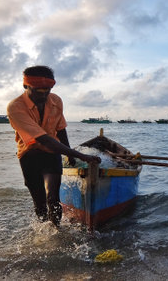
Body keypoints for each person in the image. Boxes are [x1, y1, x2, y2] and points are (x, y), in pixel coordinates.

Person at [7, 65, 101, 227]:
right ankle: (43, 232)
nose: (44, 96)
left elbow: (61, 129)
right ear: (26, 86)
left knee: (53, 197)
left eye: (47, 91)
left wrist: (70, 154)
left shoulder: (56, 101)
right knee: (40, 203)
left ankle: (56, 231)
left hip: (52, 153)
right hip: (29, 155)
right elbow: (43, 139)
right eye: (38, 91)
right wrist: (82, 156)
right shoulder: (15, 107)